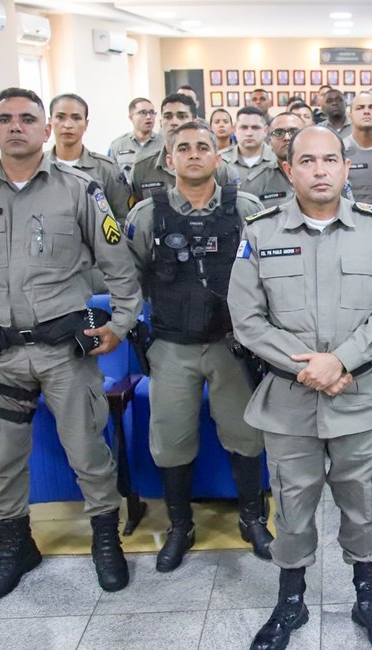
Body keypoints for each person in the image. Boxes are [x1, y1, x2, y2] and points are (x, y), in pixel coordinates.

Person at [0, 87, 142, 600]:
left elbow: (120, 268)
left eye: (28, 118)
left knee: (87, 450)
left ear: (46, 130)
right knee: (3, 457)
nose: (16, 126)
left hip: (64, 351)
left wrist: (122, 323)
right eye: (5, 119)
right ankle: (16, 543)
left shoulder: (80, 190)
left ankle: (105, 538)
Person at [228, 126, 372, 650]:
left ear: (345, 166)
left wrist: (342, 360)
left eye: (329, 159)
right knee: (291, 505)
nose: (319, 170)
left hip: (359, 395)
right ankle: (290, 602)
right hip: (289, 400)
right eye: (306, 160)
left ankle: (368, 598)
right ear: (289, 170)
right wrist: (310, 366)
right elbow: (247, 317)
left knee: (365, 501)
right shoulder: (261, 233)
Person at [125, 121, 273, 572]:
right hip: (171, 346)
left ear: (217, 156)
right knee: (171, 441)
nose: (193, 154)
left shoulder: (244, 208)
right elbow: (127, 279)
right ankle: (180, 525)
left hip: (233, 346)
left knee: (246, 435)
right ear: (169, 159)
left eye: (203, 147)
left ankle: (251, 518)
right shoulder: (146, 215)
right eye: (182, 148)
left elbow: (268, 274)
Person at [130, 93, 239, 203]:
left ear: (195, 121)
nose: (174, 122)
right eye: (168, 117)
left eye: (182, 116)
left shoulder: (220, 167)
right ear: (161, 123)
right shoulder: (142, 168)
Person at [48, 93, 130, 224]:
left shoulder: (106, 168)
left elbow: (124, 217)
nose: (68, 125)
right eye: (60, 117)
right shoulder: (37, 166)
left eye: (76, 118)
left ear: (86, 124)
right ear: (50, 122)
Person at [239, 111, 307, 209]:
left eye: (294, 132)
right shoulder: (254, 183)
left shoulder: (325, 174)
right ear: (270, 142)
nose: (287, 138)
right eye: (279, 133)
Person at [109, 97, 163, 184]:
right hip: (127, 196)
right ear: (131, 117)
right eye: (143, 113)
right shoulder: (117, 145)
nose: (149, 117)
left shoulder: (164, 143)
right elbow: (110, 177)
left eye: (152, 113)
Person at [224, 106, 271, 175]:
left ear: (265, 131)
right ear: (234, 129)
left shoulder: (278, 159)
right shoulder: (221, 161)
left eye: (255, 128)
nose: (249, 133)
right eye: (244, 127)